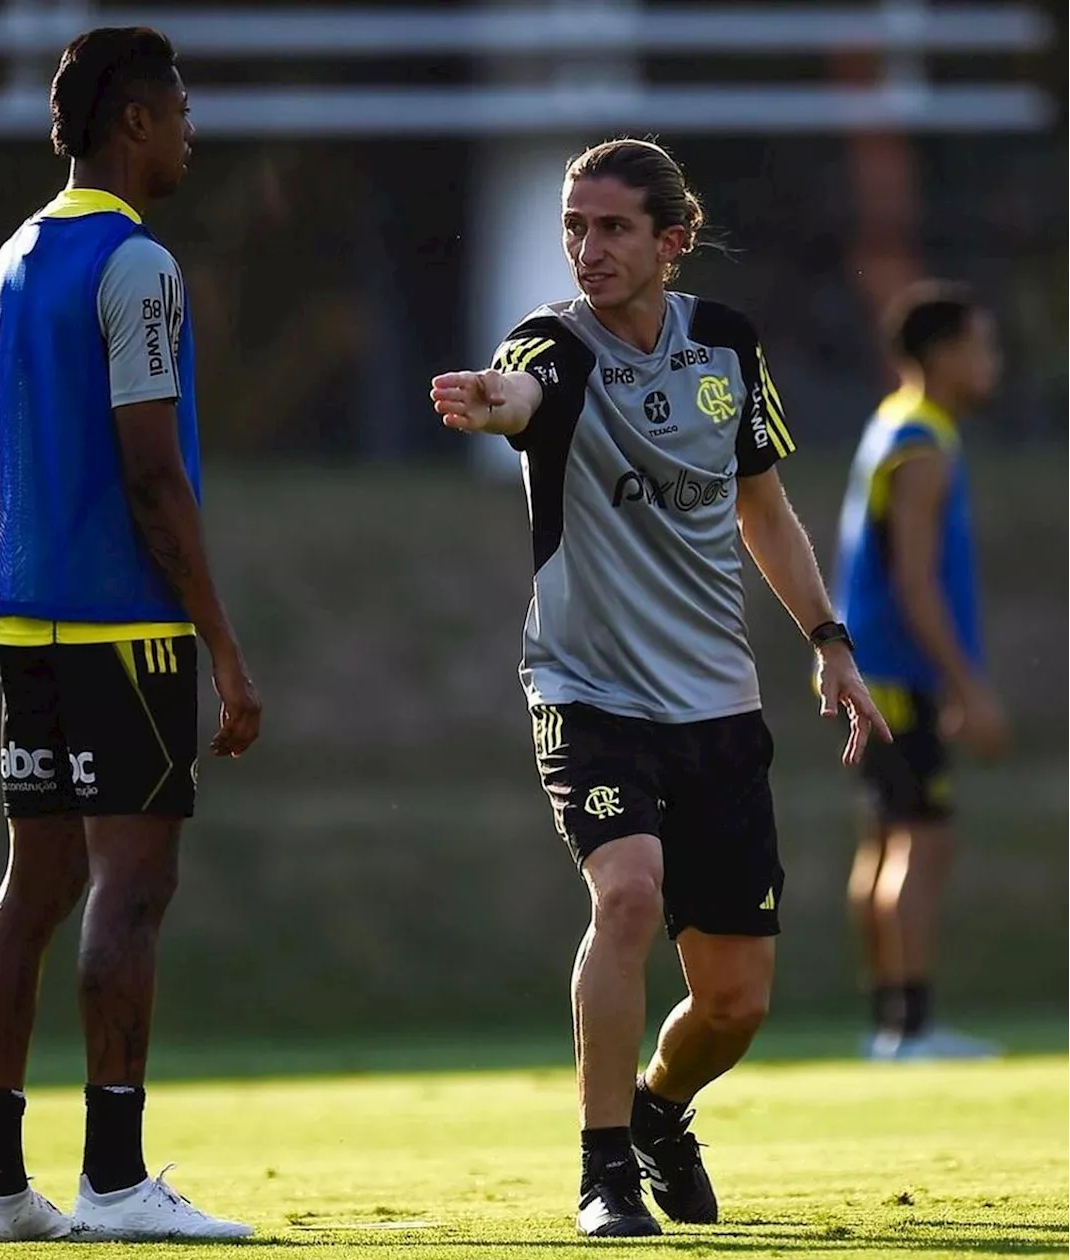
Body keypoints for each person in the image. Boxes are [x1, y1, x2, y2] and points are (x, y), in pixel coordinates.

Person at [430, 137, 890, 1239]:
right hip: (587, 694)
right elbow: (522, 391)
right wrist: (490, 401)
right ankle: (601, 1174)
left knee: (734, 1005)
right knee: (627, 893)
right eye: (572, 228)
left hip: (716, 707)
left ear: (669, 241)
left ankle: (656, 1110)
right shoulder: (555, 347)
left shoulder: (724, 346)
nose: (586, 248)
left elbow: (760, 508)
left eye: (612, 227)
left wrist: (828, 640)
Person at [0, 27, 261, 1244]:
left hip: (21, 615)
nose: (190, 132)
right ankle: (117, 1182)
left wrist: (45, 547)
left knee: (33, 887)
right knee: (130, 891)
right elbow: (152, 475)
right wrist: (223, 650)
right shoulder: (137, 265)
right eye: (179, 110)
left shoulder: (8, 259)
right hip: (124, 625)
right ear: (133, 121)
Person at [833, 282, 1009, 1062]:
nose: (991, 363)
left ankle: (890, 1024)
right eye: (982, 346)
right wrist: (969, 688)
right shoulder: (922, 444)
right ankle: (909, 1028)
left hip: (874, 675)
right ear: (942, 354)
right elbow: (914, 582)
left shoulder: (896, 424)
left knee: (885, 843)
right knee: (921, 844)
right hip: (897, 678)